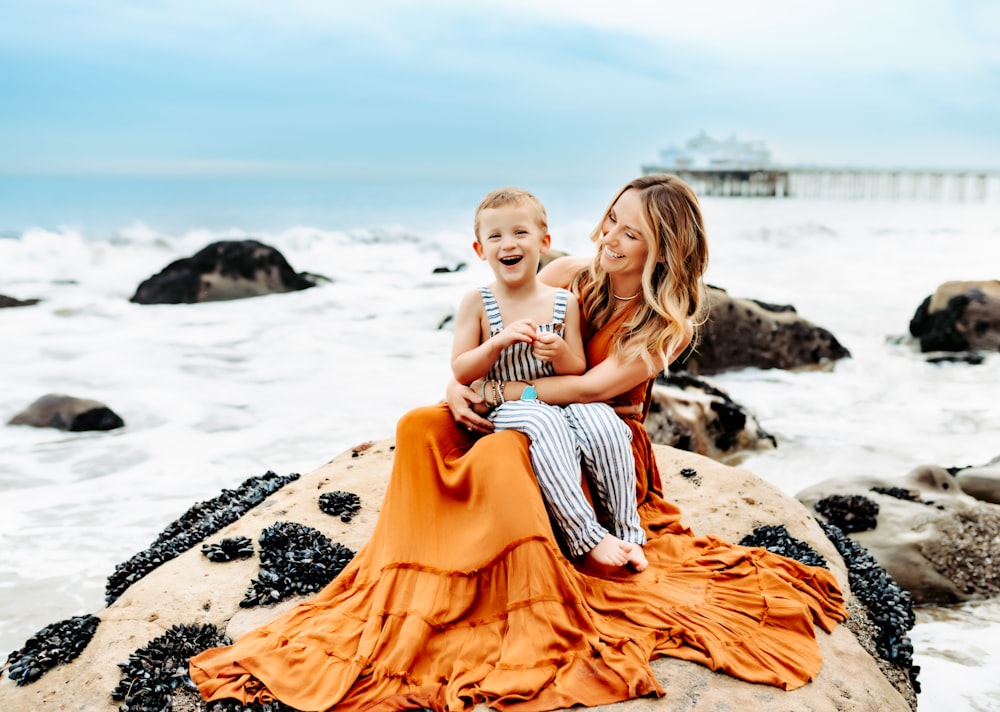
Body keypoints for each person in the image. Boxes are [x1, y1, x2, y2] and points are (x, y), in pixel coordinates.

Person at [189, 174, 847, 711]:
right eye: (612, 219)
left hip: (600, 432)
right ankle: (426, 552)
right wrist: (456, 393)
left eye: (632, 233)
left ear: (663, 249)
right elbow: (493, 338)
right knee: (419, 424)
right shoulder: (569, 271)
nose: (611, 237)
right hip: (531, 403)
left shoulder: (665, 323)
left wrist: (509, 400)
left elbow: (588, 387)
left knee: (513, 444)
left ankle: (581, 543)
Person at [452, 186, 647, 572]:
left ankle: (629, 533)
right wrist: (493, 351)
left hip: (573, 401)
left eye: (520, 233)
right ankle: (586, 536)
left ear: (544, 242)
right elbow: (461, 368)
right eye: (496, 236)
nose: (509, 243)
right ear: (480, 250)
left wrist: (558, 352)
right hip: (518, 409)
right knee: (546, 421)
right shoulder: (480, 301)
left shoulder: (563, 303)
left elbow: (579, 374)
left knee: (603, 422)